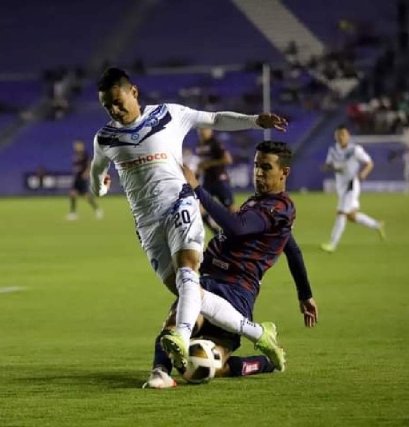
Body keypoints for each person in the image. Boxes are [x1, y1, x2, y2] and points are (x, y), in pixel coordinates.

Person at [89, 68, 289, 369]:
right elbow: (96, 171)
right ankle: (260, 334)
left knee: (188, 272)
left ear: (134, 92)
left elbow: (215, 119)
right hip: (147, 225)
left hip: (180, 204)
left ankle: (181, 337)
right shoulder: (105, 138)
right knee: (191, 292)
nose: (115, 110)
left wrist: (254, 121)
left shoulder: (169, 115)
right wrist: (99, 188)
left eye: (118, 101)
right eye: (108, 106)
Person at [144, 141, 318, 388]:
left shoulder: (280, 208)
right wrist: (305, 294)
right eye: (257, 165)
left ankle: (263, 362)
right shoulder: (256, 203)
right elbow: (292, 249)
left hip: (236, 289)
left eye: (266, 167)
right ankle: (160, 373)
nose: (258, 172)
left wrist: (198, 190)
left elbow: (237, 227)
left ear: (284, 173)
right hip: (206, 279)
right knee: (174, 325)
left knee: (204, 366)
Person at [320, 125, 385, 253]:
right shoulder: (333, 149)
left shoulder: (355, 149)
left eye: (343, 134)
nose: (340, 137)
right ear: (335, 136)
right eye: (338, 135)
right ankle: (378, 225)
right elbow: (329, 165)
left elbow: (369, 163)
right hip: (341, 186)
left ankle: (332, 244)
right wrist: (329, 167)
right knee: (351, 216)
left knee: (341, 213)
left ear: (348, 135)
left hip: (351, 184)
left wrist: (363, 174)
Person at [196, 128, 237, 235]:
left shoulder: (215, 143)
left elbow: (228, 159)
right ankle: (217, 233)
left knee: (230, 208)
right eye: (200, 129)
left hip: (220, 180)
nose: (201, 132)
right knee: (199, 207)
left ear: (210, 130)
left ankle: (242, 230)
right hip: (207, 181)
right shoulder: (200, 144)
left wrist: (209, 164)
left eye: (204, 129)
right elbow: (202, 163)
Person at [67, 141, 103, 220]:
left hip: (82, 178)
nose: (77, 147)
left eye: (78, 146)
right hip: (77, 177)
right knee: (72, 194)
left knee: (86, 196)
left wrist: (87, 173)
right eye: (76, 146)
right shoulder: (76, 155)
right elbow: (75, 165)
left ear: (82, 146)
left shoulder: (85, 154)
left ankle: (97, 210)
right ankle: (73, 213)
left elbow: (89, 164)